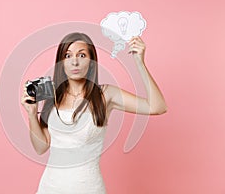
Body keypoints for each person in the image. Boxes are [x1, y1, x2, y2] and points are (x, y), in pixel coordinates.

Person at [21, 32, 167, 194]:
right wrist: (32, 114)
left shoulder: (105, 95)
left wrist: (140, 62)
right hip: (50, 187)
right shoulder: (53, 96)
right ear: (61, 63)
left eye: (82, 55)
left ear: (91, 62)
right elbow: (41, 147)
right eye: (68, 56)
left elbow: (157, 107)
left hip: (88, 187)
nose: (74, 61)